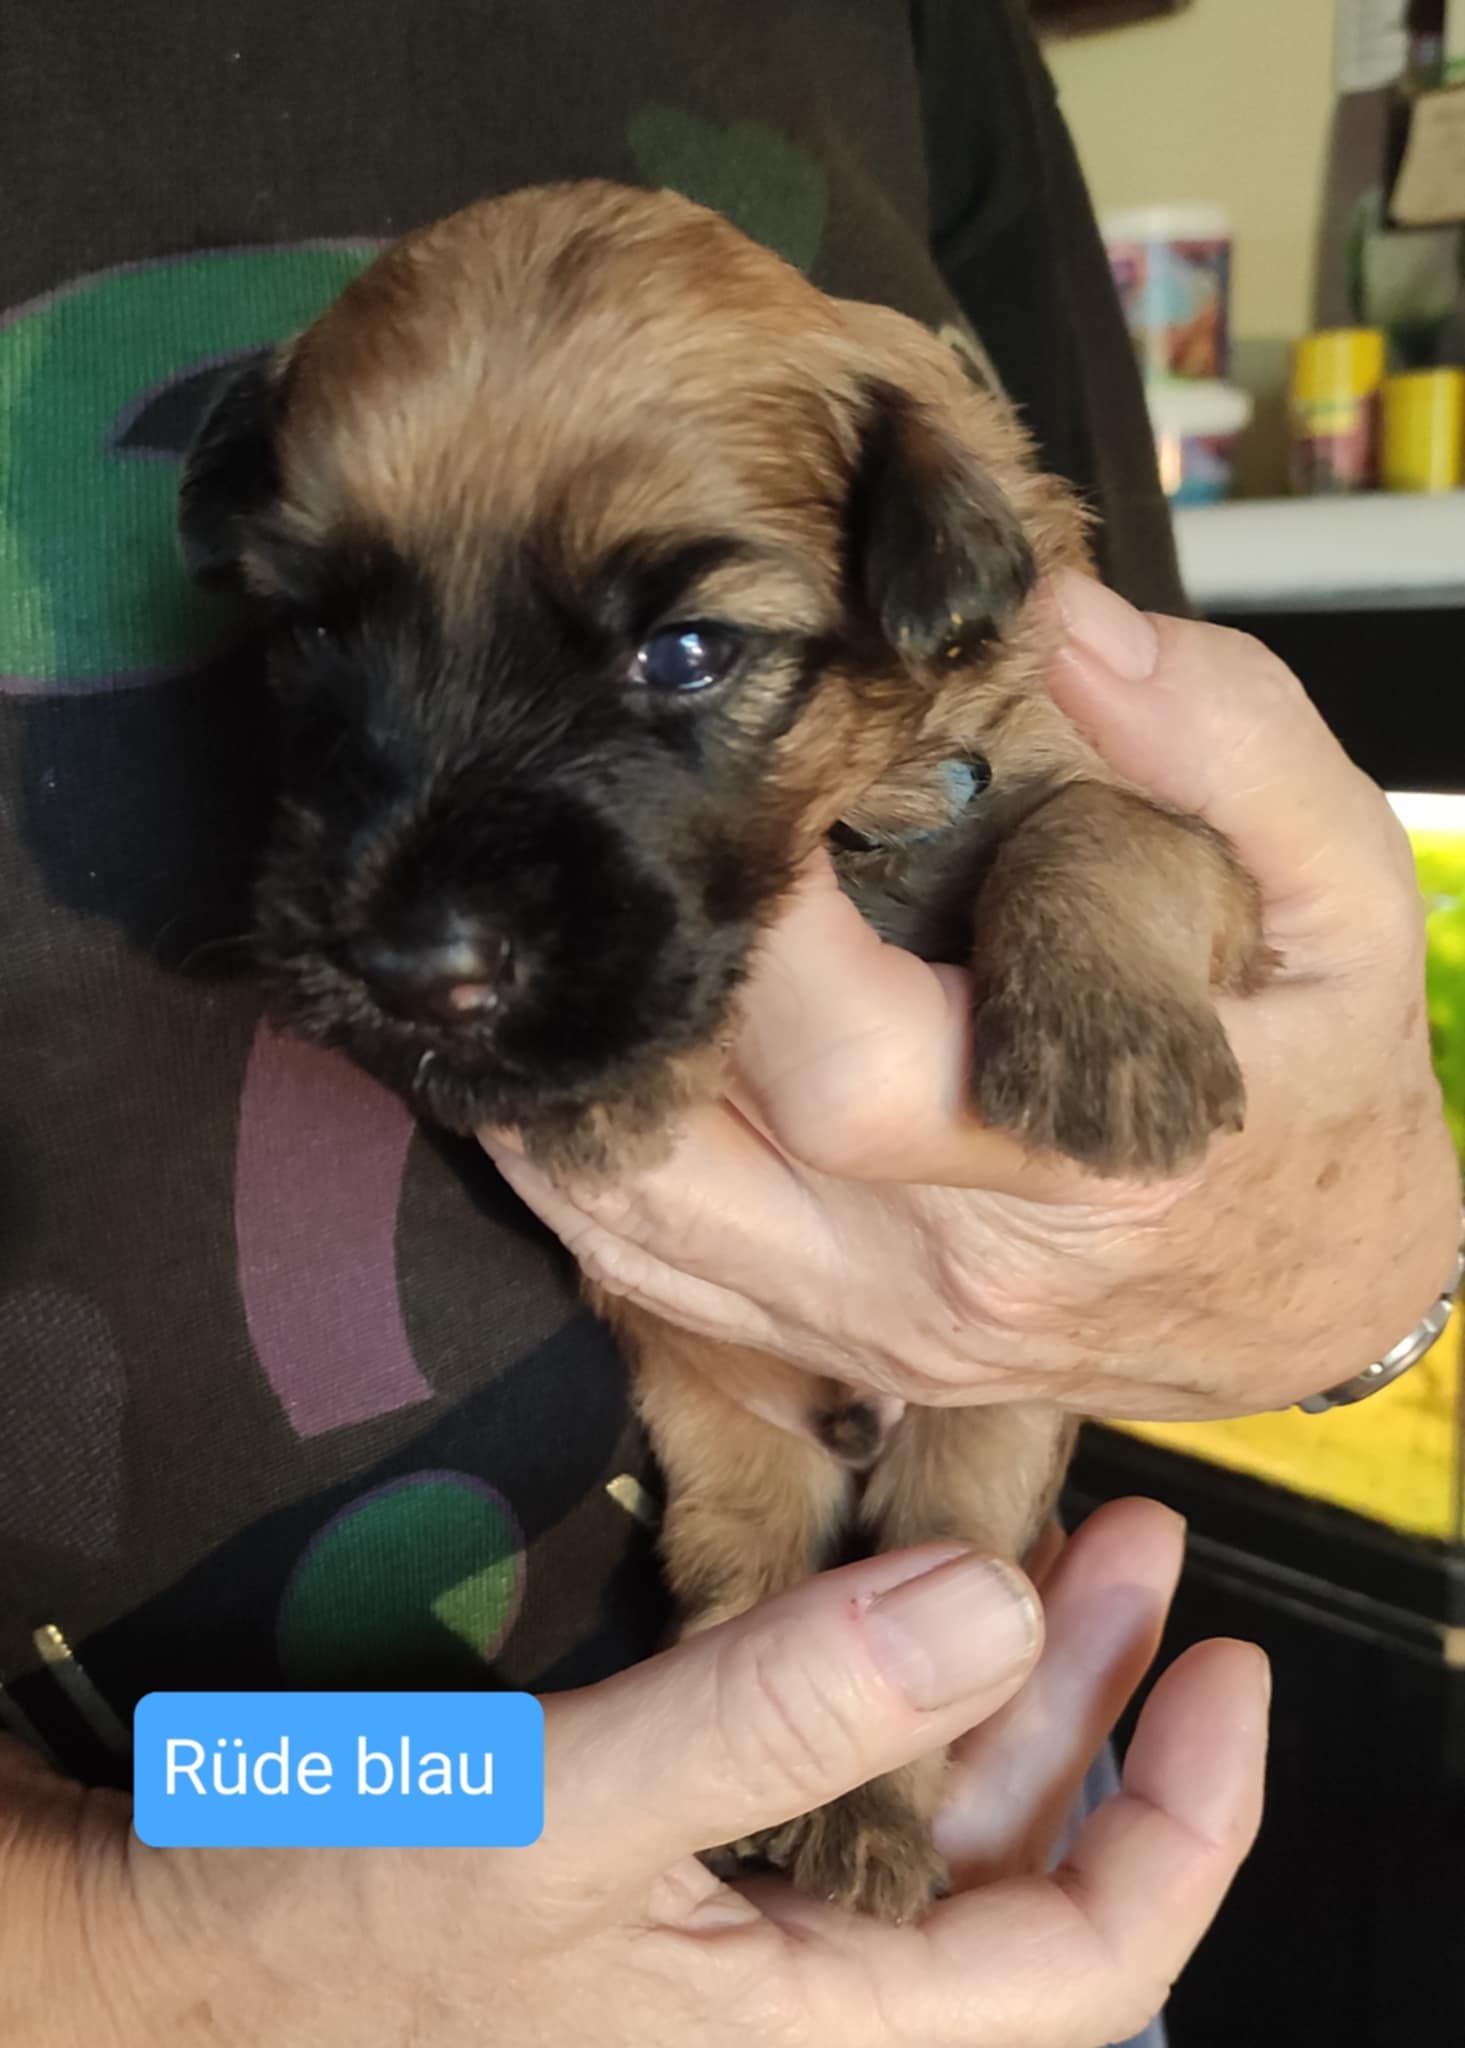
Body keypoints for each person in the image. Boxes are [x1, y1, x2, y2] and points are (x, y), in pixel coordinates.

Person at [0, 3, 1454, 2044]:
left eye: (679, 653)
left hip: (955, 1850)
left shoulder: (920, 52)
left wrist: (1370, 1281)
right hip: (198, 1799)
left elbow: (1128, 711)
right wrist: (125, 1942)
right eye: (333, 624)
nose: (425, 916)